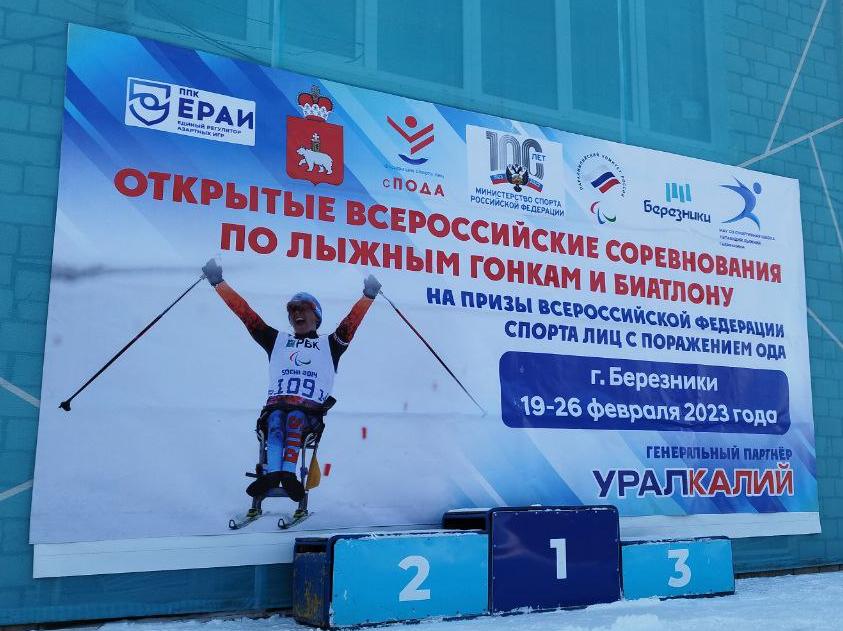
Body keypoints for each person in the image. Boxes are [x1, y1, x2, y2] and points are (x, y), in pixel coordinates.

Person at [201, 259, 380, 502]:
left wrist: (368, 296)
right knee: (276, 419)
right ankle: (274, 475)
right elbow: (246, 315)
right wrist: (218, 283)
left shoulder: (329, 344)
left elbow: (351, 323)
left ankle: (288, 474)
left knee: (293, 418)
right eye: (292, 310)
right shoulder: (277, 340)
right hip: (275, 408)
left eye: (302, 308)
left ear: (316, 316)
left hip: (309, 414)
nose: (296, 313)